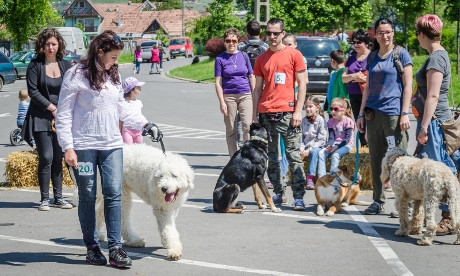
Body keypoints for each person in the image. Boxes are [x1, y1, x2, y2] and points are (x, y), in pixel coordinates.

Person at [55, 30, 141, 267]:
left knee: (114, 194)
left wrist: (145, 123)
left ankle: (115, 248)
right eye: (113, 57)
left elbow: (120, 108)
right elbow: (63, 114)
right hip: (83, 146)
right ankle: (92, 247)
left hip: (112, 144)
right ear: (100, 52)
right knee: (88, 196)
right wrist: (68, 147)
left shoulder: (113, 75)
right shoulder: (76, 74)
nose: (116, 61)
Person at [356, 18, 413, 215]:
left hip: (393, 115)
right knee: (376, 159)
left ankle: (404, 203)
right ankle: (377, 201)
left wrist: (404, 112)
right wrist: (361, 113)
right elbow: (367, 88)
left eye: (388, 32)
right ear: (375, 34)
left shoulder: (401, 54)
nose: (385, 36)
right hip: (373, 114)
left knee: (398, 160)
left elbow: (408, 86)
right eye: (380, 32)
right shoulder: (372, 57)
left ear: (393, 33)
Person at [252, 18, 308, 211]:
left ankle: (299, 196)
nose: (272, 37)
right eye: (269, 33)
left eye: (276, 33)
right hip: (266, 112)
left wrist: (298, 111)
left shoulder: (294, 54)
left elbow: (302, 84)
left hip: (288, 112)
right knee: (272, 156)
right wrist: (254, 114)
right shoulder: (261, 58)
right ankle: (278, 192)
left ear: (283, 34)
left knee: (293, 155)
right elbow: (258, 88)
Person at [412, 14, 460, 235]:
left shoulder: (435, 58)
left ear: (422, 34)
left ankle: (449, 218)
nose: (417, 39)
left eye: (417, 34)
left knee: (442, 172)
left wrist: (423, 126)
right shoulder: (439, 55)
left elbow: (432, 95)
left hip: (436, 122)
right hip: (437, 120)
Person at [22, 27, 73, 211]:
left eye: (54, 44)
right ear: (42, 46)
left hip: (62, 117)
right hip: (41, 116)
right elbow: (33, 91)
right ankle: (44, 199)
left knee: (59, 157)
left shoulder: (66, 65)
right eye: (47, 44)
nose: (51, 47)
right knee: (46, 157)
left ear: (59, 45)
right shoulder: (35, 65)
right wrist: (52, 108)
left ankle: (58, 198)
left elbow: (72, 89)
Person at [214, 27, 254, 157]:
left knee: (247, 125)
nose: (231, 43)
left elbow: (251, 76)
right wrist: (222, 102)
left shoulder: (244, 56)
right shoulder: (220, 59)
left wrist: (254, 95)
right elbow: (218, 82)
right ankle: (233, 158)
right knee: (231, 128)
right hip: (229, 96)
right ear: (224, 42)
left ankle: (246, 156)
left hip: (245, 94)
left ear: (238, 41)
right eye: (228, 40)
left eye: (234, 40)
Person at [342, 29, 372, 147]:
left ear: (366, 43)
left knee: (370, 121)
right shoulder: (351, 58)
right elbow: (343, 78)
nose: (355, 45)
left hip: (369, 95)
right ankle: (364, 147)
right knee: (360, 123)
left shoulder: (373, 56)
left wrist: (363, 78)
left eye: (359, 42)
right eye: (353, 42)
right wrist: (353, 76)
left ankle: (372, 147)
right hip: (355, 95)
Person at [318, 98, 354, 178]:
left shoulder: (348, 121)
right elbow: (331, 137)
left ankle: (333, 175)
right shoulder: (330, 121)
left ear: (343, 111)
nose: (333, 111)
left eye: (336, 109)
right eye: (331, 109)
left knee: (335, 155)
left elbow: (347, 139)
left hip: (346, 144)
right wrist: (330, 145)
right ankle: (322, 176)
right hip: (334, 143)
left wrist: (337, 147)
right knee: (321, 153)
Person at [300, 95, 327, 190]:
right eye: (306, 107)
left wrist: (309, 149)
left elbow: (321, 139)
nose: (307, 109)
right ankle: (295, 177)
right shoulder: (303, 121)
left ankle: (310, 177)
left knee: (314, 152)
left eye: (310, 106)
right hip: (305, 146)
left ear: (317, 108)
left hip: (317, 146)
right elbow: (301, 138)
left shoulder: (321, 120)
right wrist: (302, 148)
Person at [120, 77, 149, 144]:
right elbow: (120, 120)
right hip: (127, 131)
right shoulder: (123, 103)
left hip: (138, 132)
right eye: (138, 86)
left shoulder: (139, 102)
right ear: (131, 90)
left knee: (139, 150)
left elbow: (139, 116)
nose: (140, 88)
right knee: (129, 150)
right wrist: (120, 133)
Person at [324, 49, 348, 114]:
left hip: (338, 109)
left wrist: (338, 105)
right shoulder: (335, 73)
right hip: (333, 108)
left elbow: (343, 92)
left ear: (332, 61)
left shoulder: (342, 73)